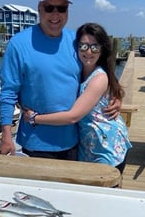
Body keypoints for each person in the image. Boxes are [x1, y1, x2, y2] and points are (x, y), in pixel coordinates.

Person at [0, 0, 121, 160]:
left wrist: (116, 96)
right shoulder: (18, 44)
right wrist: (6, 136)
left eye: (61, 8)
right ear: (39, 8)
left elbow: (99, 72)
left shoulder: (77, 42)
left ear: (67, 11)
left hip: (75, 139)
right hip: (36, 143)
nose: (55, 14)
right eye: (49, 8)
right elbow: (8, 93)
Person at [24, 23, 132, 174]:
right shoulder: (80, 71)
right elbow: (116, 89)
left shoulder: (99, 77)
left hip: (107, 147)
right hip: (88, 146)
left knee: (102, 194)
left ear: (102, 49)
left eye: (95, 47)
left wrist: (35, 118)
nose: (89, 52)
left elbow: (73, 116)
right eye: (83, 46)